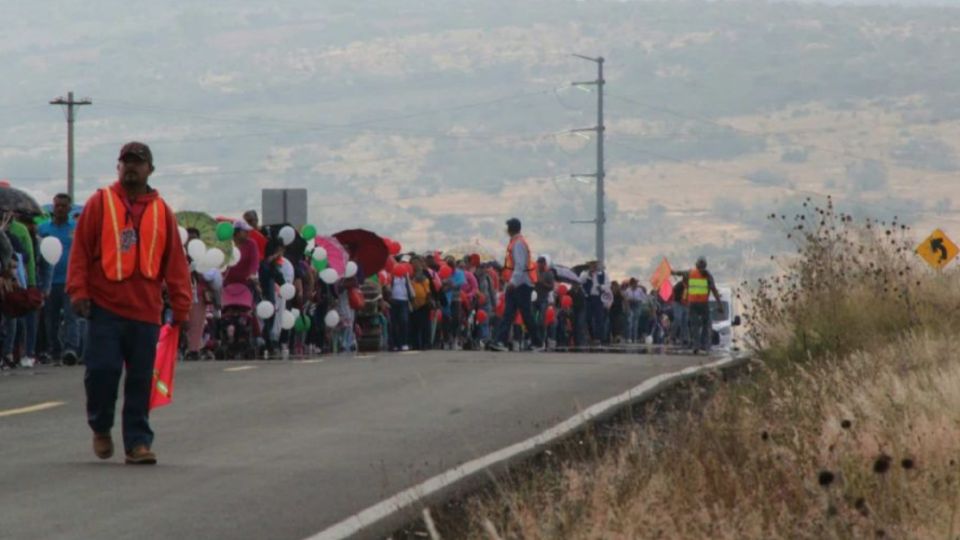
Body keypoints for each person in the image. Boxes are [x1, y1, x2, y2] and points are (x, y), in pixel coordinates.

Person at [67, 142, 191, 465]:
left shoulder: (163, 211)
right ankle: (101, 426)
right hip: (105, 308)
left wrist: (181, 307)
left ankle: (137, 443)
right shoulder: (100, 203)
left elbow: (175, 263)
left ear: (150, 169)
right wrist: (77, 292)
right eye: (126, 163)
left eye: (138, 163)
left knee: (139, 380)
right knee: (102, 372)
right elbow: (79, 251)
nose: (131, 168)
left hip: (146, 312)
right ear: (118, 167)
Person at [39, 193, 81, 366]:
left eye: (64, 206)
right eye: (57, 205)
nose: (60, 209)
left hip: (70, 281)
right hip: (49, 282)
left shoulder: (76, 228)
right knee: (51, 319)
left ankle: (71, 350)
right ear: (53, 207)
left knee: (72, 318)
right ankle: (54, 350)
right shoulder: (43, 229)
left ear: (69, 209)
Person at [491, 218, 541, 352]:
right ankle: (500, 341)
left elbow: (519, 266)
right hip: (519, 284)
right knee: (509, 313)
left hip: (521, 284)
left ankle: (537, 342)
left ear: (511, 229)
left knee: (525, 314)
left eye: (507, 228)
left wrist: (512, 282)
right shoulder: (517, 242)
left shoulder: (518, 244)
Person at [672, 256, 723, 354]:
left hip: (692, 304)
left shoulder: (691, 273)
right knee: (706, 324)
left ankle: (696, 345)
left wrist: (672, 272)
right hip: (703, 304)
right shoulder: (708, 275)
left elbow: (679, 273)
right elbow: (714, 290)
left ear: (696, 265)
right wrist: (720, 305)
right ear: (705, 266)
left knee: (694, 325)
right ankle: (703, 345)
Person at [580, 261, 607, 345]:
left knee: (599, 318)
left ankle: (598, 337)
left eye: (595, 265)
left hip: (598, 297)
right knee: (588, 318)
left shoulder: (602, 274)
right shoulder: (585, 274)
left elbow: (607, 285)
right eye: (592, 265)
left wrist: (601, 287)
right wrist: (589, 275)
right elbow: (580, 282)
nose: (594, 267)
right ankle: (591, 336)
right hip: (589, 298)